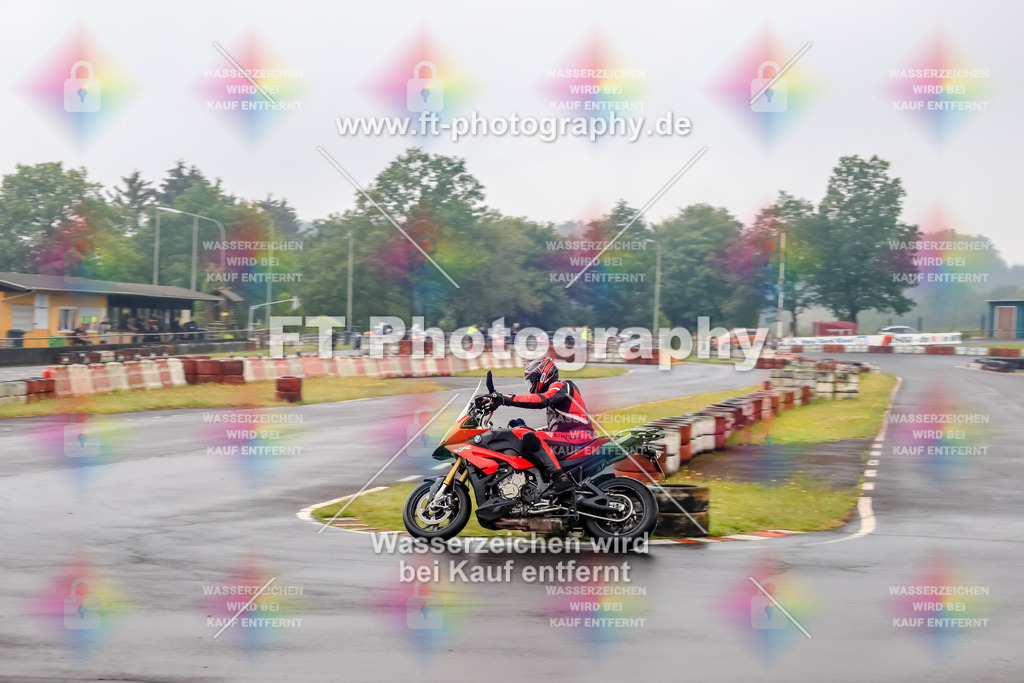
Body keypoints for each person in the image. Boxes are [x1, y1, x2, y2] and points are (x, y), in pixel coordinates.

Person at [480, 358, 595, 499]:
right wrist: (524, 427)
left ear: (544, 375)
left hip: (579, 436)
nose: (531, 384)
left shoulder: (563, 386)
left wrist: (505, 399)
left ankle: (560, 479)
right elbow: (554, 430)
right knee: (527, 435)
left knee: (531, 437)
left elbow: (541, 400)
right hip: (569, 437)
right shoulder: (555, 397)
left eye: (532, 379)